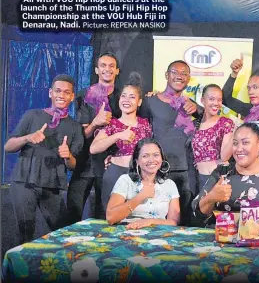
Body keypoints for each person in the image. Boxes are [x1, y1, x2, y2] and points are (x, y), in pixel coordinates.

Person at [4, 74, 84, 243]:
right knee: (25, 231)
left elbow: (73, 165)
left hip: (52, 187)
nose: (61, 95)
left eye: (66, 92)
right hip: (24, 183)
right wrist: (27, 138)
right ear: (50, 93)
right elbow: (8, 146)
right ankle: (22, 268)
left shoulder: (75, 127)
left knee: (63, 232)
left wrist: (67, 155)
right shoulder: (32, 115)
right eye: (58, 91)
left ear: (71, 96)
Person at [192, 122, 259, 232]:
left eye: (245, 143)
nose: (239, 149)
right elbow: (197, 213)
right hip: (218, 243)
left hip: (256, 245)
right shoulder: (222, 172)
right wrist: (211, 197)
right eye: (235, 143)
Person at [140, 60, 200, 226]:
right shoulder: (150, 101)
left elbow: (210, 120)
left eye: (184, 74)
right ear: (167, 75)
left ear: (188, 79)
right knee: (157, 217)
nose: (179, 76)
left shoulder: (192, 106)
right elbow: (140, 131)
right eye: (175, 72)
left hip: (186, 171)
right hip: (158, 169)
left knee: (185, 219)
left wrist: (197, 109)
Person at [66, 52, 121, 223]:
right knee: (73, 212)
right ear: (97, 70)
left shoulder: (123, 96)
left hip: (111, 163)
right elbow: (81, 134)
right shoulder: (84, 95)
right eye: (103, 65)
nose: (107, 69)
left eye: (111, 66)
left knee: (105, 215)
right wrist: (96, 123)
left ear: (117, 71)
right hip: (85, 162)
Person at [90, 72, 152, 211]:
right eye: (123, 96)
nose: (126, 100)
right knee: (111, 215)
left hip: (138, 174)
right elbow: (93, 148)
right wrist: (118, 135)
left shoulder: (145, 124)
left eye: (132, 97)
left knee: (136, 215)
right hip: (115, 174)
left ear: (139, 102)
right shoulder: (112, 124)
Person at [106, 138, 180, 229]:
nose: (151, 160)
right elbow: (111, 218)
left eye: (156, 155)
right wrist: (140, 197)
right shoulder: (125, 181)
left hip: (159, 235)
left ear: (162, 159)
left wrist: (149, 222)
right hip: (129, 231)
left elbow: (173, 222)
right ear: (137, 161)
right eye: (145, 156)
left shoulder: (169, 185)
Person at [190, 84, 234, 194]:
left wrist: (236, 134)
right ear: (202, 100)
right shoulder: (194, 125)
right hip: (197, 180)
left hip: (217, 179)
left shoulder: (226, 123)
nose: (216, 103)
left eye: (219, 100)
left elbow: (224, 157)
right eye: (211, 99)